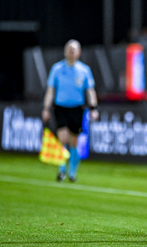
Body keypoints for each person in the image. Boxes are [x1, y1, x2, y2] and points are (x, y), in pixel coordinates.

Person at [42, 39, 99, 182]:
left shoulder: (84, 70)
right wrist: (46, 108)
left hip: (77, 108)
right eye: (68, 49)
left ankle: (72, 172)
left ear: (78, 52)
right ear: (65, 51)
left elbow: (90, 91)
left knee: (74, 141)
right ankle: (62, 170)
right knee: (63, 138)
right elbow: (50, 90)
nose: (71, 52)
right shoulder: (57, 69)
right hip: (61, 107)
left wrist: (93, 108)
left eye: (73, 50)